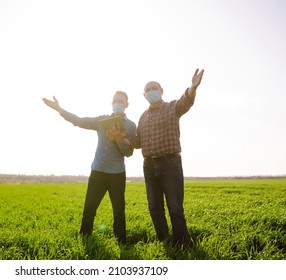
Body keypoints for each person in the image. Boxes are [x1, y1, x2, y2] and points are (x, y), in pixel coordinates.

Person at [42, 91, 136, 243]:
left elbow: (129, 152)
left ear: (127, 104)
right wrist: (60, 110)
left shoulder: (131, 126)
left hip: (117, 174)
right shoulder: (101, 120)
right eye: (115, 100)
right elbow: (79, 121)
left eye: (121, 101)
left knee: (119, 211)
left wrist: (119, 138)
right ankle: (85, 239)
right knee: (89, 209)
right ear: (111, 103)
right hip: (98, 171)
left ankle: (121, 242)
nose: (118, 103)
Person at [135, 68, 204, 247]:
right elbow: (137, 142)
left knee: (174, 207)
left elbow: (186, 101)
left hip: (170, 163)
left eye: (154, 88)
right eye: (148, 89)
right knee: (154, 208)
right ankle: (165, 242)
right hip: (149, 166)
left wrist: (193, 87)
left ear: (161, 91)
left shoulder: (172, 108)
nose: (151, 91)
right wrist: (120, 137)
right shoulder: (142, 117)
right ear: (144, 95)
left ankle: (182, 244)